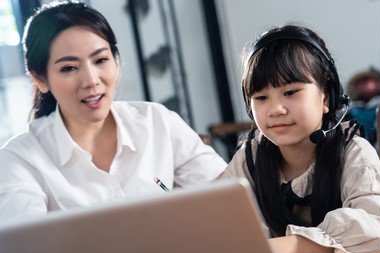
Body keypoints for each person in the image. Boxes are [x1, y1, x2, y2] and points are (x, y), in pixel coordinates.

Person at [0, 1, 226, 221]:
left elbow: (228, 197)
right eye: (69, 68)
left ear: (117, 62)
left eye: (100, 60)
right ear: (40, 79)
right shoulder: (20, 159)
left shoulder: (157, 122)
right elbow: (24, 252)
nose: (91, 81)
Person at [217, 24, 380, 253]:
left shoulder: (352, 151)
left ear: (326, 96)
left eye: (290, 92)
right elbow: (215, 219)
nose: (276, 109)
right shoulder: (251, 157)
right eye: (261, 97)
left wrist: (285, 248)